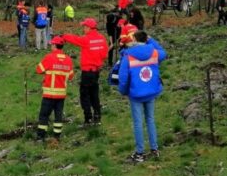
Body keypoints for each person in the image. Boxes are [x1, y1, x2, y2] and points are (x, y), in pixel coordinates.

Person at [116, 29, 166, 162]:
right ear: (146, 39)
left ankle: (140, 153)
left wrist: (124, 91)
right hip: (151, 92)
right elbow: (163, 52)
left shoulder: (128, 56)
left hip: (136, 94)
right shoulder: (154, 53)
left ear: (134, 40)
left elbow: (123, 77)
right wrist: (151, 40)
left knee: (138, 123)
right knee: (150, 119)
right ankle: (154, 149)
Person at [61, 17, 109, 125]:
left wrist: (64, 36)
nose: (83, 29)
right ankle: (97, 117)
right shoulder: (102, 39)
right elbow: (105, 55)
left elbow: (75, 39)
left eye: (84, 27)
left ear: (88, 27)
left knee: (85, 95)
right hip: (96, 71)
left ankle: (88, 119)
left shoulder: (86, 39)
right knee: (94, 94)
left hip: (87, 72)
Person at [35, 36, 74, 141]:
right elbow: (70, 76)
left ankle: (40, 136)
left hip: (49, 94)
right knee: (58, 117)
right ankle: (57, 136)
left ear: (54, 46)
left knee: (44, 115)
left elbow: (38, 70)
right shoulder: (68, 60)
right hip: (61, 94)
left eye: (52, 44)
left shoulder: (49, 57)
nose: (51, 46)